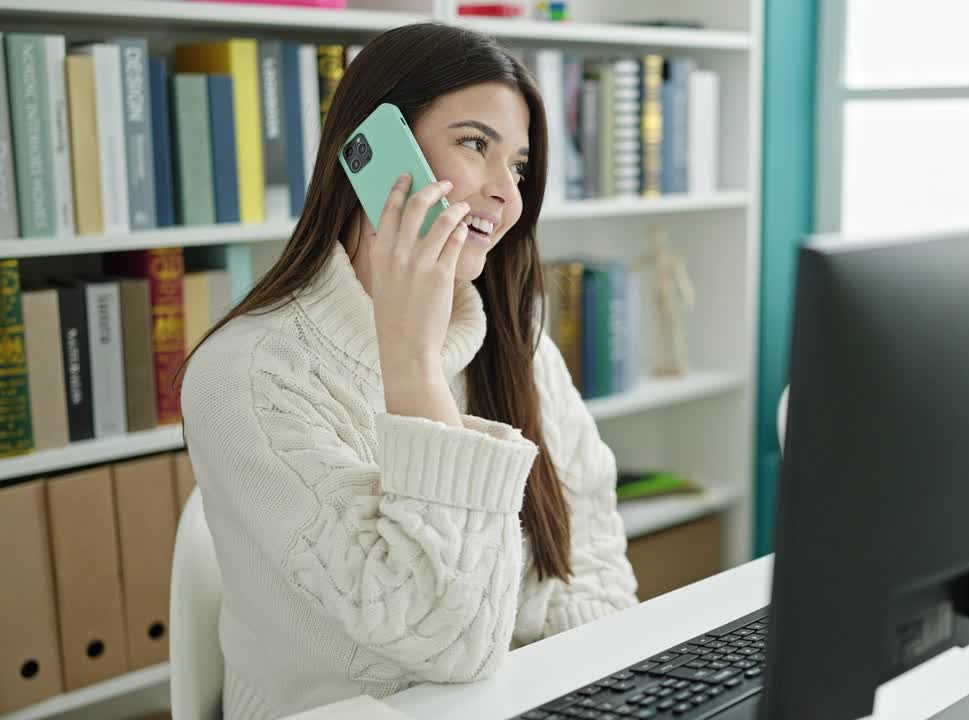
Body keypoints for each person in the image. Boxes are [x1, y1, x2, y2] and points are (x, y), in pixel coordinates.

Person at [179, 23, 638, 719]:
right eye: (475, 145)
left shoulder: (514, 341)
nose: (506, 196)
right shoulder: (244, 376)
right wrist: (413, 361)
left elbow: (596, 559)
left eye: (517, 166)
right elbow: (441, 644)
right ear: (376, 155)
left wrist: (589, 694)